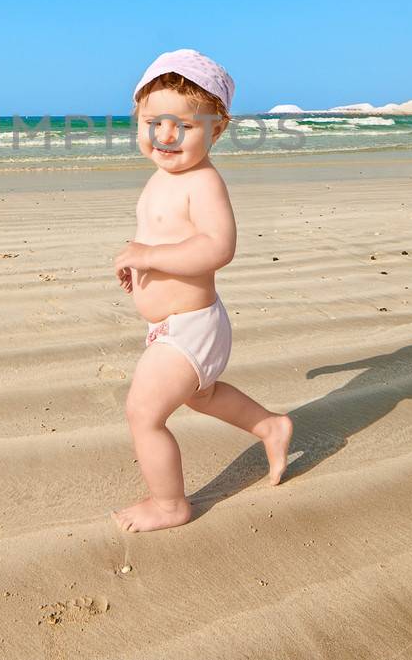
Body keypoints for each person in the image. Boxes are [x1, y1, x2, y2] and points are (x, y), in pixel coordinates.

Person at [111, 49, 292, 532]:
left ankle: (169, 504)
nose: (165, 136)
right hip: (171, 326)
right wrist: (137, 262)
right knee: (203, 396)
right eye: (153, 122)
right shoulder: (159, 179)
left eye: (184, 126)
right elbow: (162, 239)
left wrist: (149, 258)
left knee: (143, 413)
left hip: (191, 328)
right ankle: (270, 425)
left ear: (217, 129)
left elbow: (217, 247)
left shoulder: (203, 182)